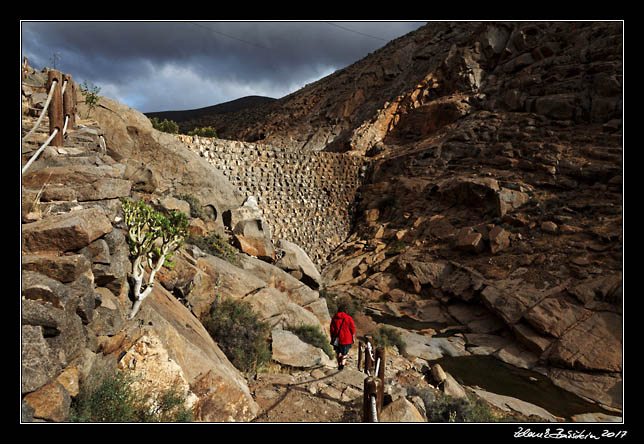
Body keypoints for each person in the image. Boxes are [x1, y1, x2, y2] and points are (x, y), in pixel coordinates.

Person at [329, 301, 356, 371]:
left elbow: (332, 329)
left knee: (338, 352)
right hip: (346, 339)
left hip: (337, 338)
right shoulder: (348, 318)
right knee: (345, 353)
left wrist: (332, 336)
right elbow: (352, 328)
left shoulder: (334, 318)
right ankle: (342, 365)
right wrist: (353, 336)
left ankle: (339, 364)